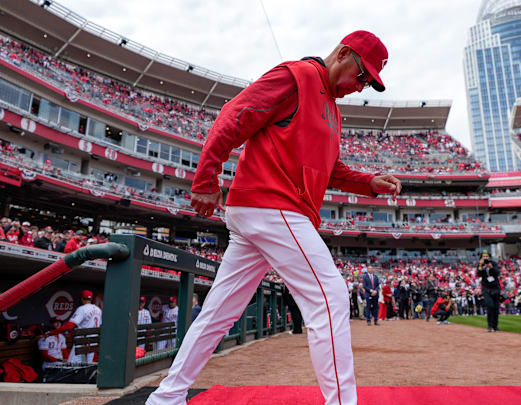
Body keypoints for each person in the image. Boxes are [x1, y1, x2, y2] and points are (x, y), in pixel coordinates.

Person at [146, 30, 395, 405]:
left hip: (263, 213)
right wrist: (206, 178)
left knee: (218, 312)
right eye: (361, 76)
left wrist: (369, 183)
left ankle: (166, 397)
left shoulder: (334, 110)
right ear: (343, 53)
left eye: (368, 83)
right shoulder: (297, 76)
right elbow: (235, 114)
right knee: (331, 297)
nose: (360, 87)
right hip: (273, 205)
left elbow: (328, 169)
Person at [46, 290, 102, 363]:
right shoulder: (98, 310)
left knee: (71, 367)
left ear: (82, 299)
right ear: (91, 299)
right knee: (86, 367)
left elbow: (69, 326)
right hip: (92, 344)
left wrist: (51, 333)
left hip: (82, 343)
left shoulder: (82, 309)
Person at [477, 250, 501, 332]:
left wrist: (490, 266)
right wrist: (480, 265)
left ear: (489, 257)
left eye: (487, 256)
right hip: (486, 288)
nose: (485, 258)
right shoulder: (480, 265)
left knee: (496, 307)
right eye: (484, 256)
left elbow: (497, 273)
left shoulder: (493, 263)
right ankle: (490, 326)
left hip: (495, 288)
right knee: (490, 305)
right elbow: (479, 274)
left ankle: (495, 326)